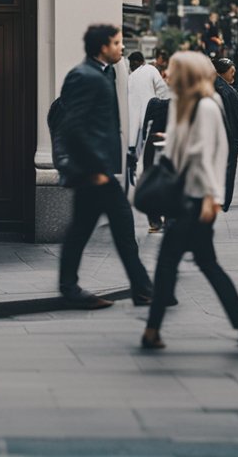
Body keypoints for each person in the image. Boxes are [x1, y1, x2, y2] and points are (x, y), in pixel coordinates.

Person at [140, 52, 238, 351]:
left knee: (173, 263)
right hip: (188, 197)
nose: (167, 75)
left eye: (173, 70)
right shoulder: (185, 104)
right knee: (204, 264)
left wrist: (212, 197)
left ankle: (153, 330)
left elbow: (206, 155)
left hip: (194, 199)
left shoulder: (207, 106)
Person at [55, 24, 155, 309]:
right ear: (102, 47)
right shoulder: (83, 76)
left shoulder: (103, 72)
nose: (121, 47)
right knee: (108, 226)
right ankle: (141, 289)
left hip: (99, 170)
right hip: (94, 172)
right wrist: (94, 168)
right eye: (116, 43)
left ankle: (141, 288)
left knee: (101, 228)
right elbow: (73, 126)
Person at [212, 58, 238, 211]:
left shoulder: (222, 88)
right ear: (222, 72)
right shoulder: (225, 90)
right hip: (230, 136)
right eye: (231, 72)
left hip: (226, 136)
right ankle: (224, 199)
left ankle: (221, 198)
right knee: (228, 169)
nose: (233, 75)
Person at [137, 92, 171, 233]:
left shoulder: (153, 102)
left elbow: (145, 127)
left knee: (151, 180)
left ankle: (155, 222)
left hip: (152, 141)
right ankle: (169, 220)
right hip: (168, 140)